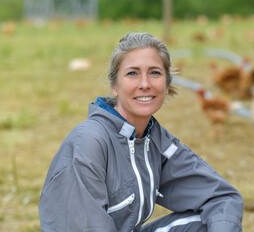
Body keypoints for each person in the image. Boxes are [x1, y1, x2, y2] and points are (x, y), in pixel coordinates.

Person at [39, 32, 243, 231]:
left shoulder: (153, 139)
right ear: (114, 85)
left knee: (208, 222)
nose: (144, 84)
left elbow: (221, 198)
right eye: (132, 73)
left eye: (155, 72)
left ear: (166, 85)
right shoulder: (89, 142)